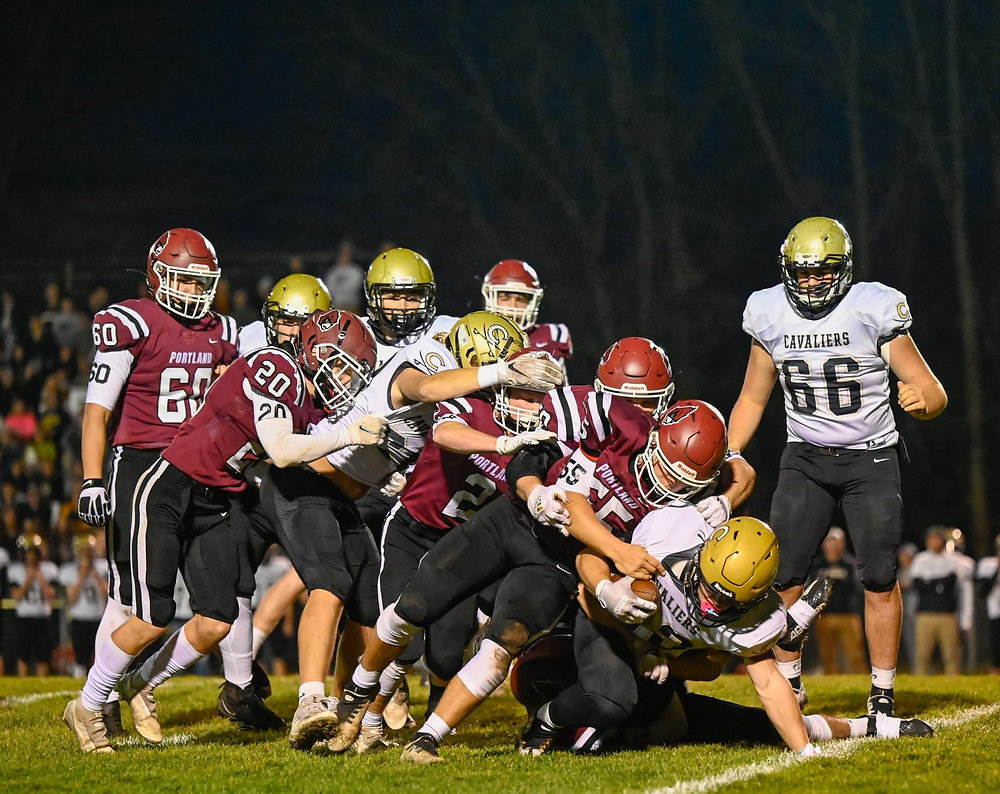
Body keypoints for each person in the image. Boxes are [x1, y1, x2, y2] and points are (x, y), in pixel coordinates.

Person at [62, 309, 385, 754]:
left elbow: (310, 452)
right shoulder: (278, 366)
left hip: (215, 501)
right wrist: (350, 435)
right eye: (343, 366)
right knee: (151, 614)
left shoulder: (310, 399)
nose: (346, 380)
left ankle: (139, 682)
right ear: (316, 354)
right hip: (170, 488)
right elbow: (283, 450)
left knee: (216, 619)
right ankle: (88, 704)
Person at [728, 216, 948, 716]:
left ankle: (883, 688)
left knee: (877, 573)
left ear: (843, 269)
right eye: (800, 273)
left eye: (821, 272)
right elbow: (752, 397)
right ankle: (789, 676)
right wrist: (733, 452)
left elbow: (933, 389)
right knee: (782, 572)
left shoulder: (872, 307)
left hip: (871, 457)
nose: (809, 283)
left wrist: (925, 402)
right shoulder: (768, 312)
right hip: (804, 456)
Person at [513, 517, 932, 756]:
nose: (711, 604)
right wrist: (609, 592)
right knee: (610, 713)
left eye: (727, 601)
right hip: (610, 632)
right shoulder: (665, 539)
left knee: (754, 723)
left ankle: (868, 726)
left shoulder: (753, 617)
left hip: (666, 664)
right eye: (709, 589)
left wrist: (805, 753)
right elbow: (589, 571)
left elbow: (759, 683)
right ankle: (549, 718)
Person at [77, 228, 238, 733]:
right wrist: (90, 479)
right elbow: (96, 412)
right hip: (143, 465)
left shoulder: (223, 330)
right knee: (132, 598)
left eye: (201, 282)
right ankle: (97, 701)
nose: (195, 292)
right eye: (185, 281)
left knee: (213, 613)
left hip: (200, 472)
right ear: (158, 277)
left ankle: (138, 683)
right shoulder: (133, 322)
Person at [481, 259, 573, 373]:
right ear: (489, 298)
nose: (513, 305)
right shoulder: (475, 335)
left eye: (520, 299)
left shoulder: (552, 336)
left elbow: (560, 388)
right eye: (505, 298)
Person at [910, 526, 972, 675]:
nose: (934, 542)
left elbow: (959, 577)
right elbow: (918, 585)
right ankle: (920, 684)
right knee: (922, 655)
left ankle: (954, 685)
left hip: (947, 613)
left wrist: (930, 582)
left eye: (937, 539)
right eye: (931, 539)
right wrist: (941, 581)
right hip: (925, 614)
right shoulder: (921, 559)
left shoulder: (954, 560)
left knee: (951, 655)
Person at [812, 527, 866, 675]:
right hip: (824, 615)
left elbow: (856, 588)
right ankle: (831, 680)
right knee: (827, 655)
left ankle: (859, 683)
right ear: (824, 545)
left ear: (842, 544)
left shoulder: (850, 563)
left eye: (836, 541)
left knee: (854, 654)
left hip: (848, 615)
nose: (833, 545)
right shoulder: (817, 565)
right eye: (830, 541)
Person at [59, 534, 109, 677]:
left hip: (99, 618)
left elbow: (107, 595)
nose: (87, 553)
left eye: (89, 550)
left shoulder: (102, 568)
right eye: (84, 550)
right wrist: (81, 577)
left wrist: (96, 577)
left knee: (101, 658)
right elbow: (71, 599)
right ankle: (79, 685)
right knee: (81, 659)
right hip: (79, 619)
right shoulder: (70, 570)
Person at [8, 542, 58, 676]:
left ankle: (42, 684)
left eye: (34, 553)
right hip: (24, 617)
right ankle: (23, 683)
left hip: (43, 617)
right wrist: (28, 580)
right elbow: (17, 596)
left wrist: (41, 580)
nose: (31, 557)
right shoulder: (16, 570)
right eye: (29, 553)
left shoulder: (48, 569)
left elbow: (51, 595)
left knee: (43, 655)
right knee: (23, 655)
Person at [974, 535, 1000, 675]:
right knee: (995, 642)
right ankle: (995, 669)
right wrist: (997, 568)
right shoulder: (988, 564)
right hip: (995, 609)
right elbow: (983, 590)